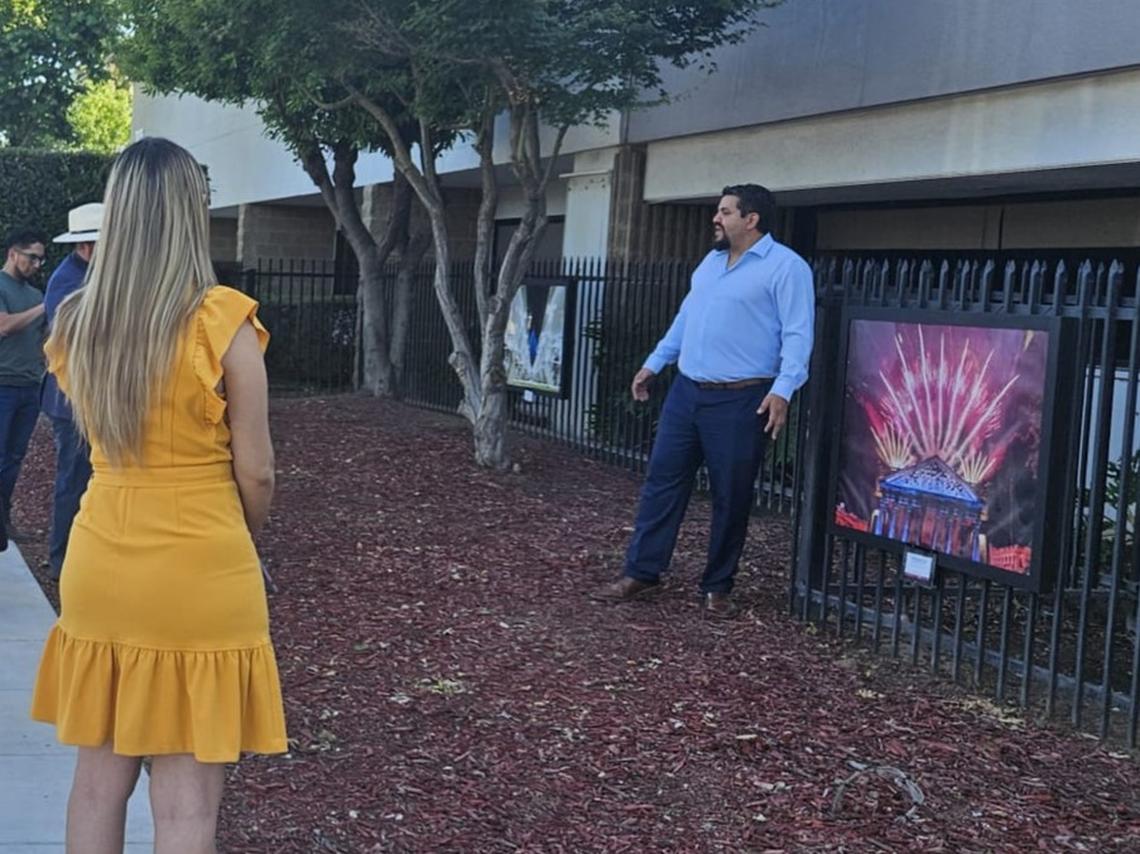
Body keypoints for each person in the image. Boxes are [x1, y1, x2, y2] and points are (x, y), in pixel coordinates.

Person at [30, 137, 286, 852]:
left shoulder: (78, 323)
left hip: (102, 555)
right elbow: (257, 472)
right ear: (188, 213)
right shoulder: (222, 321)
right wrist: (243, 541)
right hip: (201, 561)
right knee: (185, 807)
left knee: (96, 780)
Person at [592, 184, 815, 618]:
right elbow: (685, 318)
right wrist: (654, 364)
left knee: (731, 496)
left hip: (742, 399)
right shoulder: (710, 264)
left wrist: (783, 391)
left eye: (725, 212)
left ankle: (717, 586)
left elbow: (798, 334)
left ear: (751, 219)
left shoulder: (787, 268)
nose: (716, 218)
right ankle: (642, 572)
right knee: (662, 483)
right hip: (686, 393)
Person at [41, 203, 102, 578]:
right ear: (85, 246)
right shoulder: (69, 281)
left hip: (85, 398)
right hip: (71, 401)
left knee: (88, 479)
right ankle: (61, 559)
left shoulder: (87, 275)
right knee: (74, 480)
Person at [0, 227, 48, 538]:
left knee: (15, 457)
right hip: (2, 385)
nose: (37, 265)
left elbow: (42, 337)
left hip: (30, 386)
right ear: (13, 253)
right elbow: (4, 326)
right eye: (32, 258)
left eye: (41, 260)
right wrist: (44, 307)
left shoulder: (34, 294)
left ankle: (4, 521)